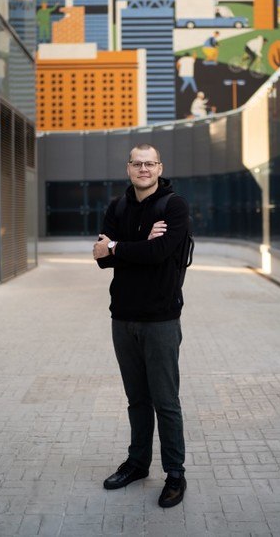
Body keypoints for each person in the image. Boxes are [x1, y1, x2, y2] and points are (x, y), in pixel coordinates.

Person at [93, 144, 189, 508]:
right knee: (137, 399)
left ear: (160, 167)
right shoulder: (117, 206)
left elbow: (159, 253)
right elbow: (101, 259)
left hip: (161, 319)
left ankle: (175, 474)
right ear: (128, 168)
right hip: (122, 317)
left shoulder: (174, 206)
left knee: (165, 401)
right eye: (137, 163)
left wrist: (117, 247)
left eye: (150, 163)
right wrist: (132, 246)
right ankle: (137, 463)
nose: (144, 169)